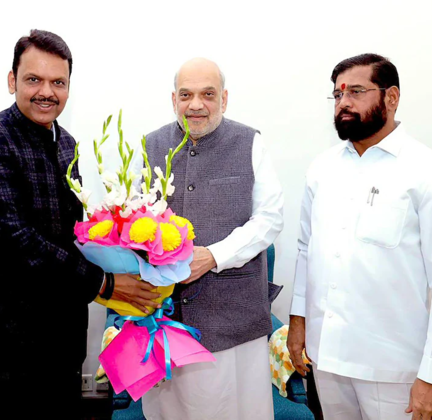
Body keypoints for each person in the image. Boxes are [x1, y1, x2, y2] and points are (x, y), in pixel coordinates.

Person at [0, 29, 159, 418]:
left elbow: (69, 234)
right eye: (33, 79)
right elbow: (13, 240)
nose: (46, 92)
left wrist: (125, 246)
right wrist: (105, 283)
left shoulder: (67, 144)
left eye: (58, 82)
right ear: (12, 81)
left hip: (57, 343)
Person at [288, 53, 432, 420]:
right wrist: (298, 323)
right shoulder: (322, 169)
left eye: (356, 91)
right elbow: (307, 250)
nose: (344, 102)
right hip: (326, 357)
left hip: (393, 367)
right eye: (337, 94)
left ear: (392, 97)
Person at [140, 57, 284, 420]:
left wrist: (215, 256)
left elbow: (269, 218)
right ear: (173, 99)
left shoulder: (249, 142)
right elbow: (137, 219)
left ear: (224, 98)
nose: (196, 105)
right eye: (185, 95)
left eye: (207, 94)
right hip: (165, 320)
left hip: (234, 321)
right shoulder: (150, 145)